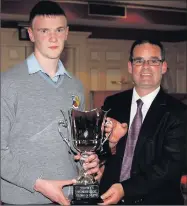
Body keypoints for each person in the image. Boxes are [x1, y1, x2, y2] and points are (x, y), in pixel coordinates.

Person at [1, 1, 99, 205]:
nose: (53, 37)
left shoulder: (77, 87)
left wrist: (88, 161)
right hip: (23, 200)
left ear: (66, 33)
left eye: (59, 30)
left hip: (69, 198)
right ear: (31, 34)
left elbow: (77, 144)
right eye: (44, 30)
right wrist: (38, 183)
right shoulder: (7, 83)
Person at [99, 40, 187, 205]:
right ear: (130, 67)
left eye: (153, 61)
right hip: (109, 198)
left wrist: (125, 188)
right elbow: (99, 151)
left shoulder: (178, 112)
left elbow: (170, 165)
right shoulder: (113, 103)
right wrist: (111, 144)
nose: (146, 66)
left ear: (163, 67)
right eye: (139, 60)